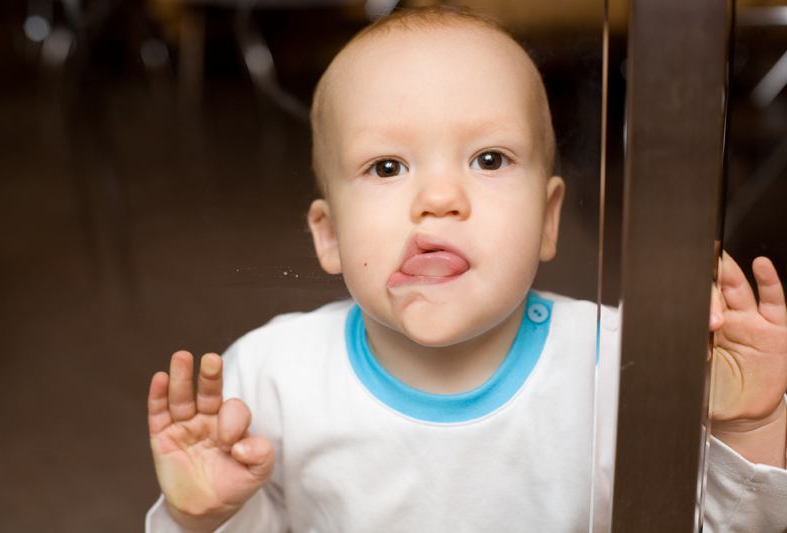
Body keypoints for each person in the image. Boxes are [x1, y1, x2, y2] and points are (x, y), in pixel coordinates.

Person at [145, 6, 787, 532]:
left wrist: (750, 429)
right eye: (388, 167)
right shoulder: (270, 375)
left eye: (488, 159)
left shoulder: (624, 365)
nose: (440, 199)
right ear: (330, 235)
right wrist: (200, 518)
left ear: (549, 218)